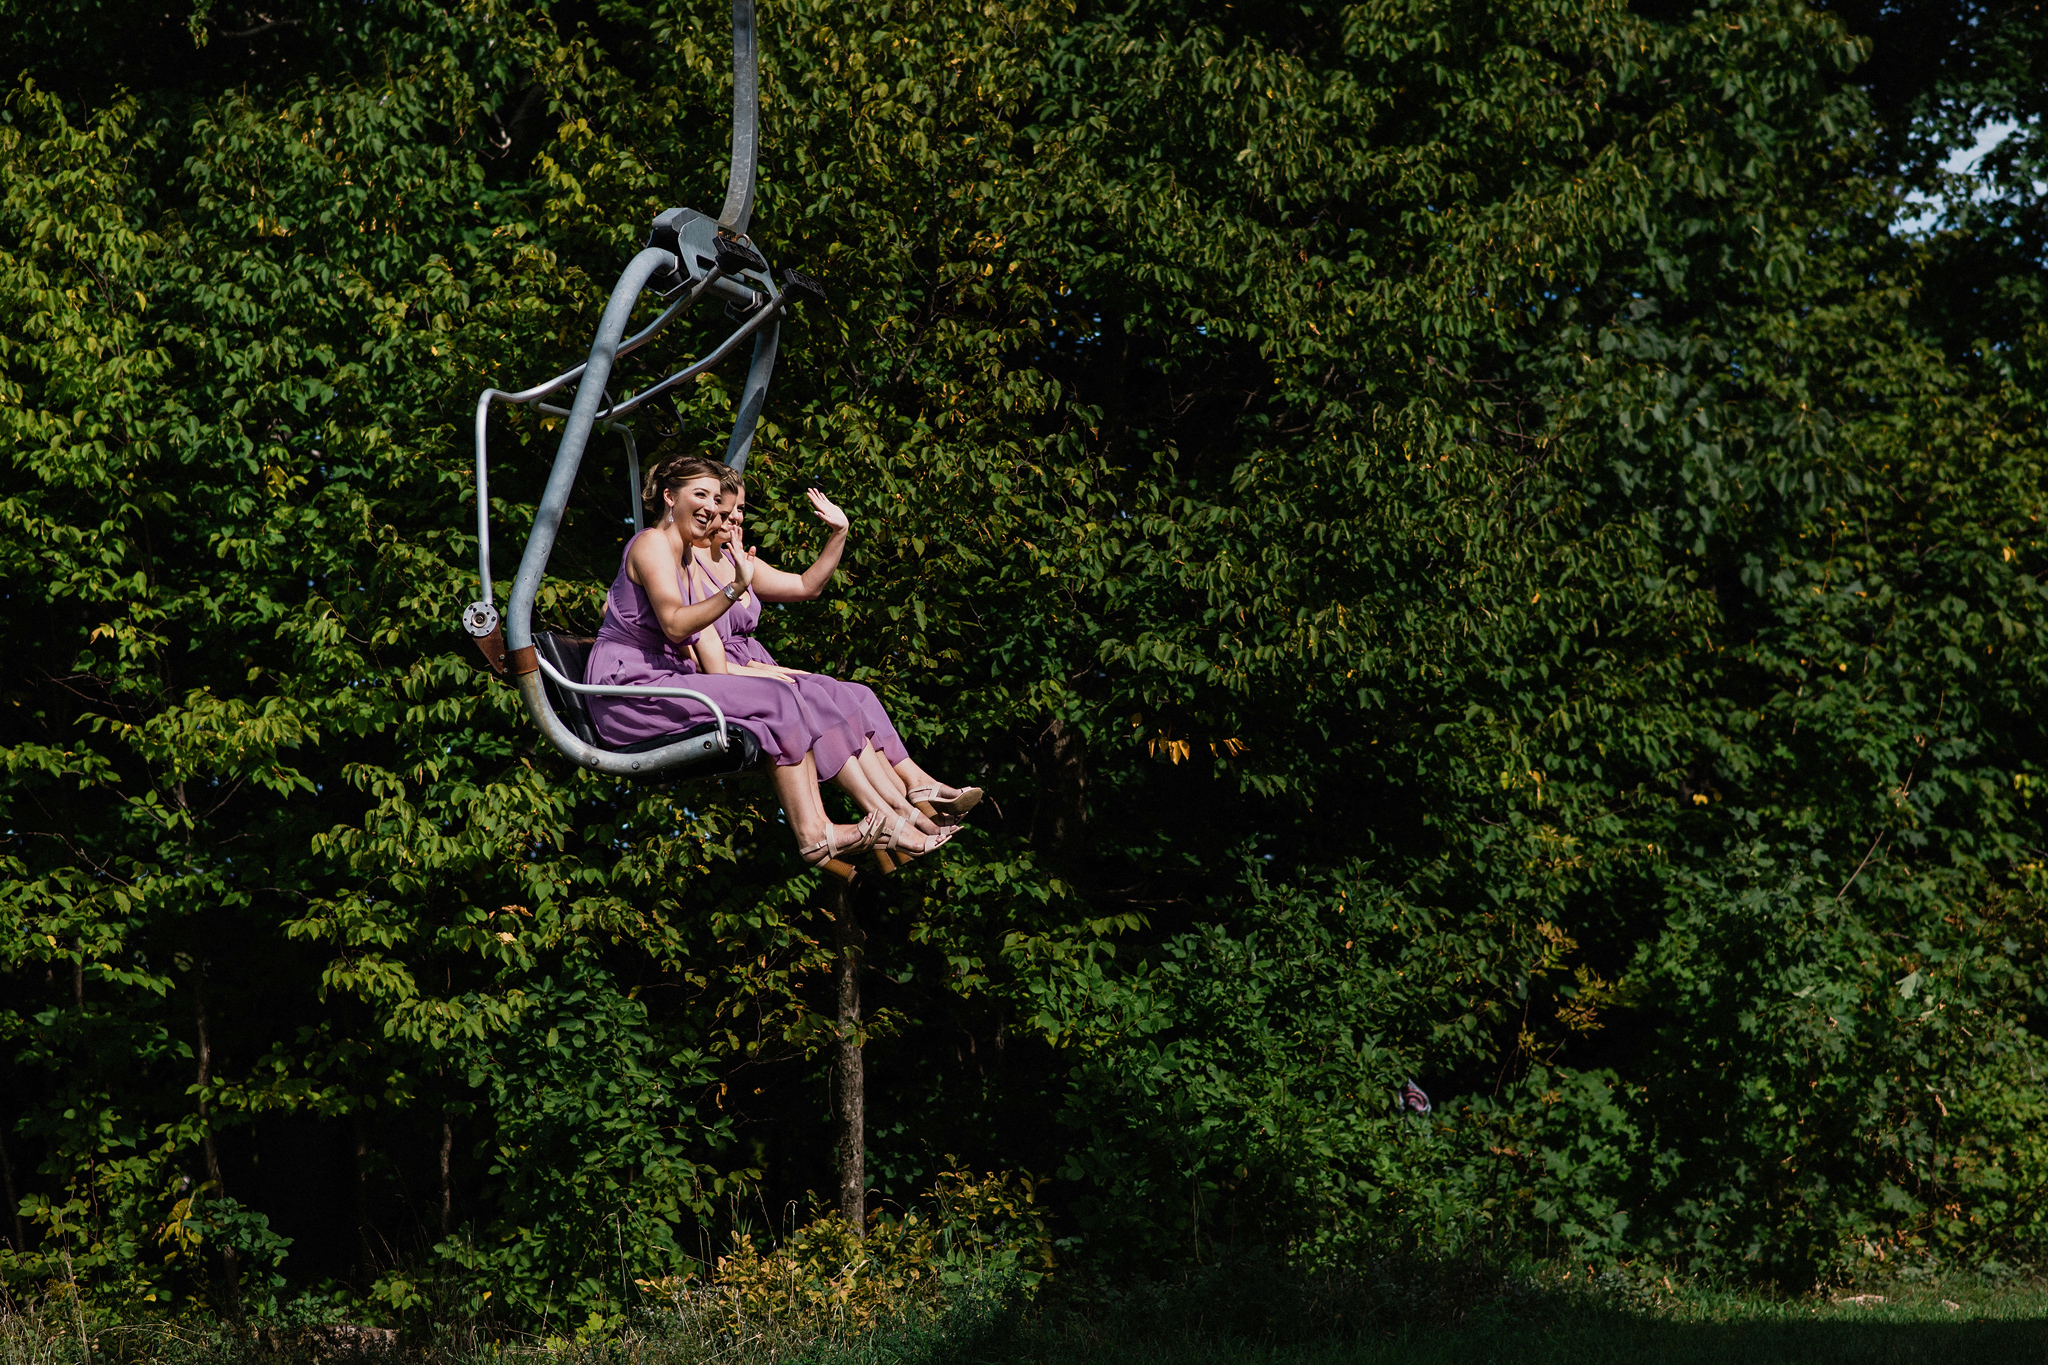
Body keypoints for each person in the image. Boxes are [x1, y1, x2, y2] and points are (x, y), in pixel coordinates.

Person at [582, 455, 943, 874]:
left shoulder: (683, 555)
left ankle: (846, 825)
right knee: (778, 695)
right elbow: (677, 625)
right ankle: (816, 833)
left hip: (663, 677)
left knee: (784, 699)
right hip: (629, 690)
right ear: (669, 496)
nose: (711, 507)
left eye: (717, 499)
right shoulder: (652, 544)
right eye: (699, 495)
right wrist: (736, 587)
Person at [688, 471, 983, 824]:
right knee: (825, 691)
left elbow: (805, 585)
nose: (735, 517)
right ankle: (895, 811)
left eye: (741, 508)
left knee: (860, 694)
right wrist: (760, 670)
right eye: (727, 507)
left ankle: (917, 786)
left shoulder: (738, 561)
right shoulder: (686, 563)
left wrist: (839, 533)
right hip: (730, 670)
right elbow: (693, 644)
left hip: (754, 662)